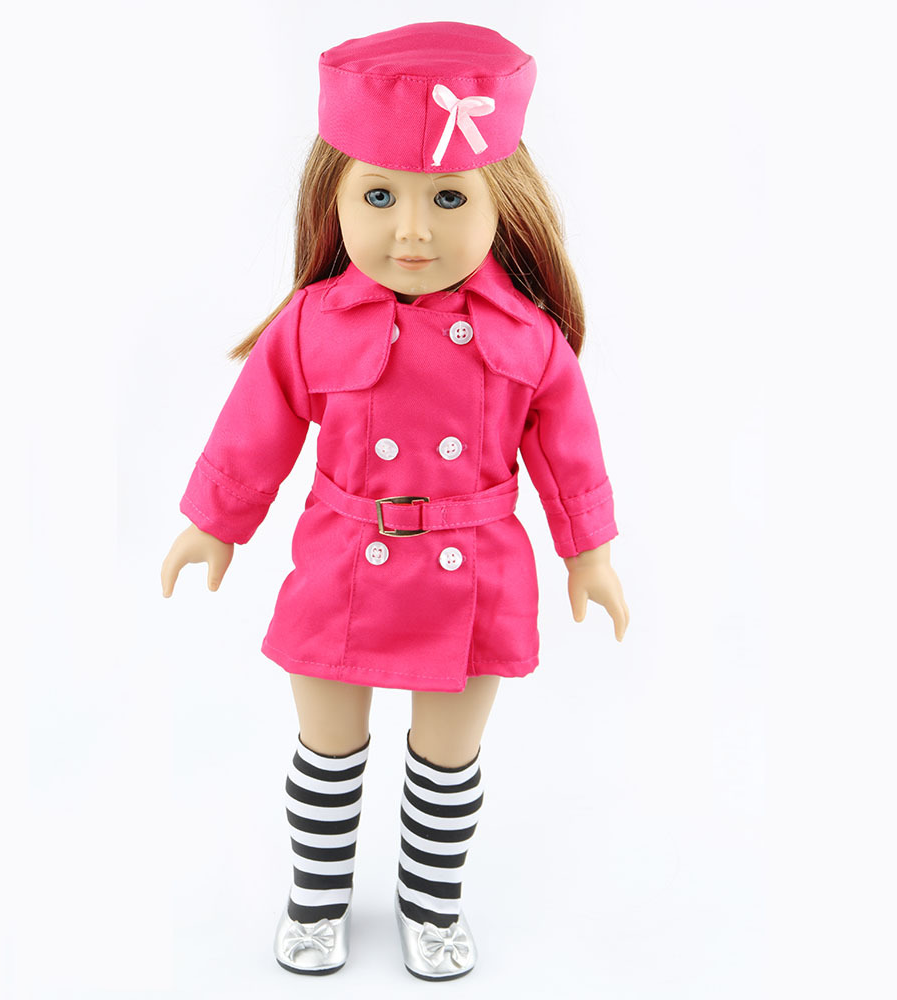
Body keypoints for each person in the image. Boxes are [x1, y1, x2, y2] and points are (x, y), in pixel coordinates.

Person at [160, 21, 629, 980]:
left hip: (475, 572)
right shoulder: (313, 324)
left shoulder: (527, 336)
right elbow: (257, 428)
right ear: (333, 201)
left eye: (448, 197)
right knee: (326, 752)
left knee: (447, 763)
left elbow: (568, 452)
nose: (412, 230)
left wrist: (590, 553)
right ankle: (316, 901)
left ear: (502, 202)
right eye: (379, 196)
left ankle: (432, 905)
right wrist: (214, 523)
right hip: (344, 561)